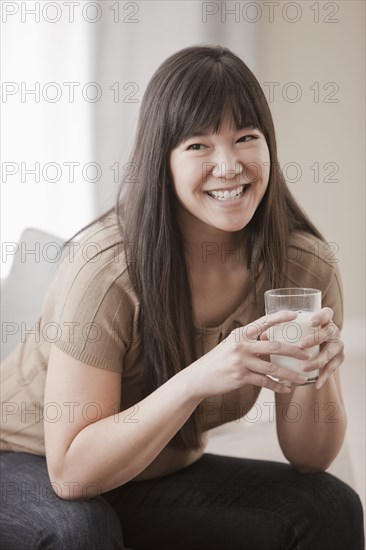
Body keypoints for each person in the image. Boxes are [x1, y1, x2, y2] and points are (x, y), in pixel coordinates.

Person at [0, 44, 364, 550]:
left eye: (245, 138)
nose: (229, 165)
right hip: (26, 459)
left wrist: (315, 375)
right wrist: (199, 378)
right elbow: (71, 474)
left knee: (328, 506)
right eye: (198, 145)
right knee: (80, 531)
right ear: (162, 160)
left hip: (149, 474)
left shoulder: (303, 266)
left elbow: (308, 457)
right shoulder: (107, 269)